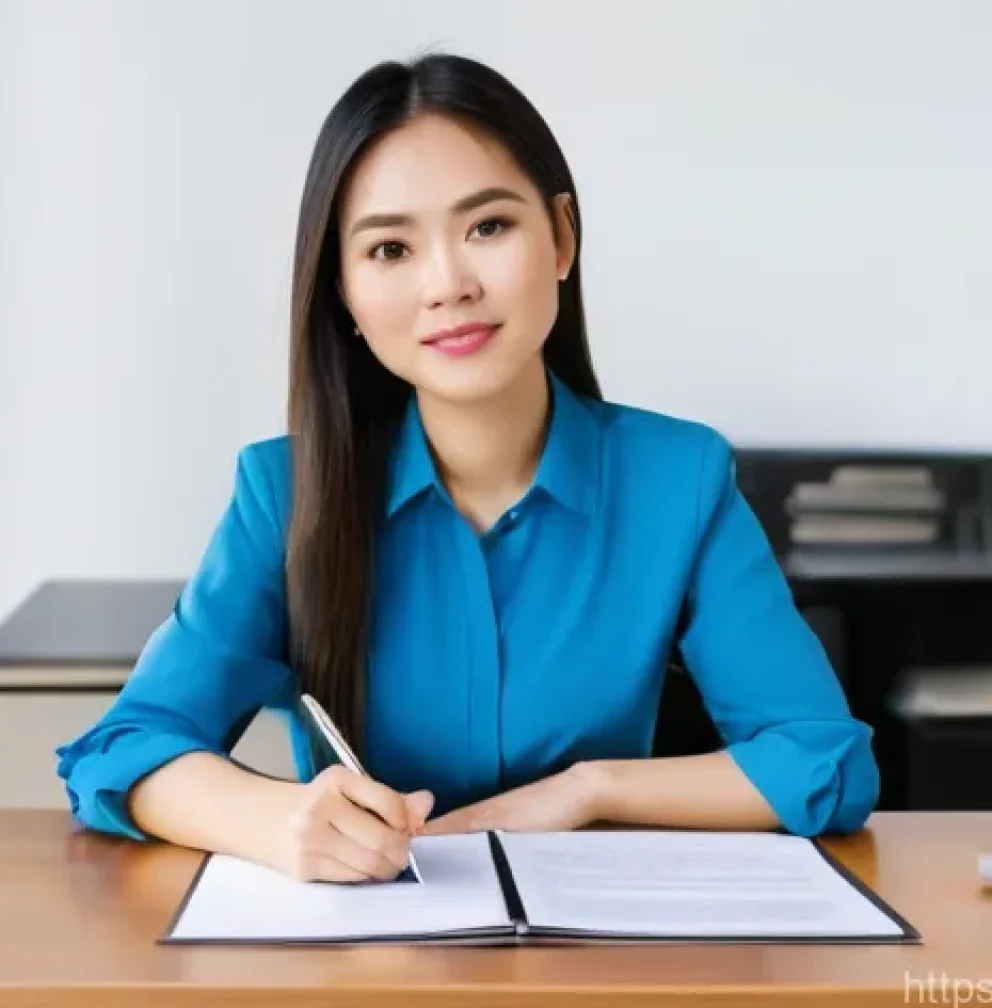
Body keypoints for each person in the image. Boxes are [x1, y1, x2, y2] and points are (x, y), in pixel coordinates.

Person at [56, 51, 879, 885]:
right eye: (388, 250)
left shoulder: (682, 480)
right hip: (364, 978)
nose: (447, 284)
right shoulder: (285, 495)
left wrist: (589, 790)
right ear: (342, 291)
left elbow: (824, 762)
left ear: (561, 237)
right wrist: (273, 819)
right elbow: (122, 752)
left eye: (487, 227)